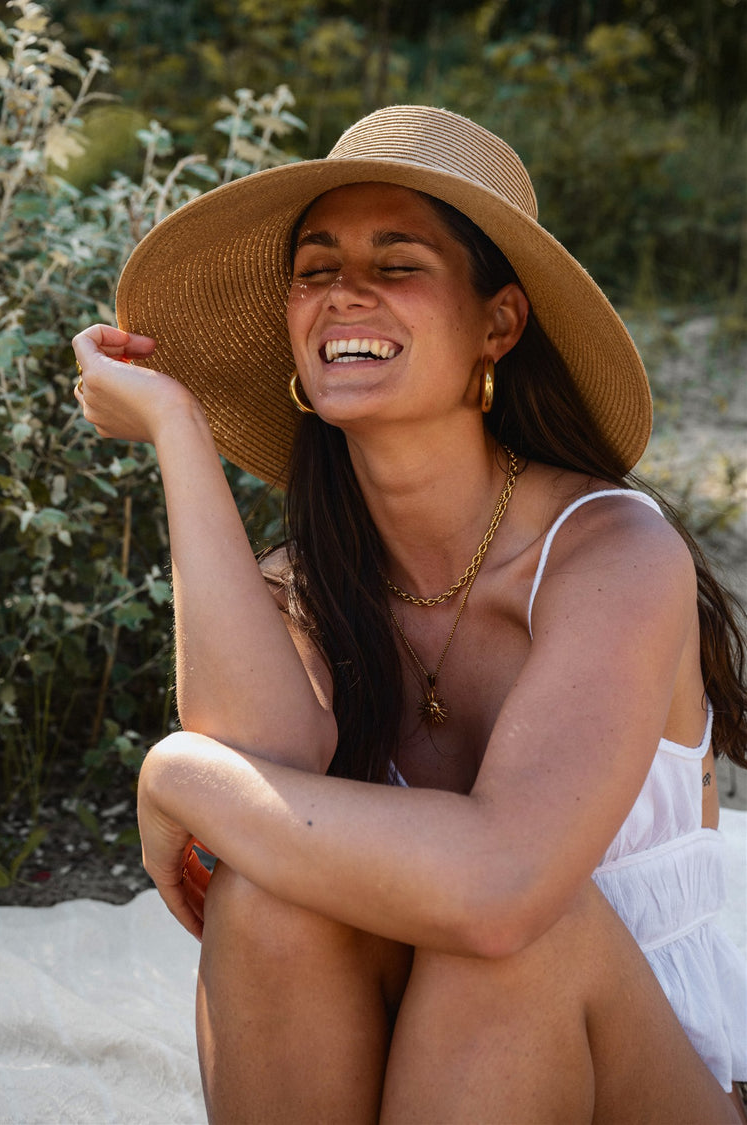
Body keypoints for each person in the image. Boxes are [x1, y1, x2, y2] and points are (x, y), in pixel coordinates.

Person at [72, 105, 746, 1124]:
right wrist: (178, 430)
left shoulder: (611, 553)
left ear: (499, 324)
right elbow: (264, 768)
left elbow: (503, 888)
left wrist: (175, 773)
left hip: (639, 1075)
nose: (343, 291)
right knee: (271, 896)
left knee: (515, 940)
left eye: (397, 265)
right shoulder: (315, 579)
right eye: (316, 268)